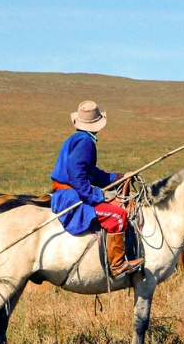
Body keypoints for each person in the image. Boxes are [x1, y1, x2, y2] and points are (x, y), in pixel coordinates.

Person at [50, 100, 144, 279]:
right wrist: (94, 196)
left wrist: (119, 177)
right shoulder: (85, 142)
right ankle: (118, 265)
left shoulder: (76, 139)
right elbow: (76, 172)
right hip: (71, 197)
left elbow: (92, 173)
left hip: (66, 193)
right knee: (118, 215)